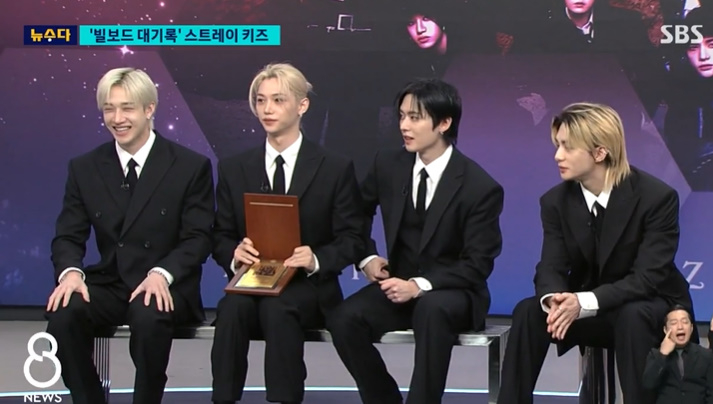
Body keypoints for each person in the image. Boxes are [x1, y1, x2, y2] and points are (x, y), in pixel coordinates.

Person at [497, 102, 697, 404]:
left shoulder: (656, 198)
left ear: (600, 153)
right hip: (588, 308)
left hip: (648, 304)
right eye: (557, 145)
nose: (558, 155)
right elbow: (550, 266)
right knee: (528, 311)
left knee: (632, 316)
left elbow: (647, 278)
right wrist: (554, 300)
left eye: (568, 147)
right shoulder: (555, 202)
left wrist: (584, 302)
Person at [327, 78, 505, 404]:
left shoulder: (479, 186)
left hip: (455, 293)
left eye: (415, 117)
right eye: (401, 116)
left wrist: (419, 286)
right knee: (344, 318)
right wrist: (367, 258)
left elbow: (477, 264)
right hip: (399, 285)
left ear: (444, 123)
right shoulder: (387, 165)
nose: (404, 126)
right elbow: (354, 213)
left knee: (431, 310)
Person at [45, 67, 215, 404]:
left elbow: (198, 237)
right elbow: (67, 235)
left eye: (127, 108)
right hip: (111, 282)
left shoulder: (189, 166)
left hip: (166, 285)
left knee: (149, 314)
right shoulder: (85, 167)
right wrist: (71, 273)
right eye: (109, 109)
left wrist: (162, 274)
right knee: (64, 314)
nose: (117, 119)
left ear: (149, 109)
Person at [210, 62, 364, 404]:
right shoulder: (234, 168)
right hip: (253, 281)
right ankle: (222, 398)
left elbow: (352, 238)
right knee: (231, 309)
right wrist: (234, 254)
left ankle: (285, 399)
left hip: (308, 287)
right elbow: (220, 234)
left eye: (278, 100)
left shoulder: (334, 168)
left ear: (302, 105)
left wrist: (316, 259)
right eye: (261, 100)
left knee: (278, 308)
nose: (267, 109)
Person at [642, 305, 713, 404]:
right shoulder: (655, 355)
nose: (680, 327)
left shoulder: (706, 356)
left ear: (691, 328)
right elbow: (648, 384)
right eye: (674, 323)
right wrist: (663, 354)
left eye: (685, 322)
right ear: (665, 330)